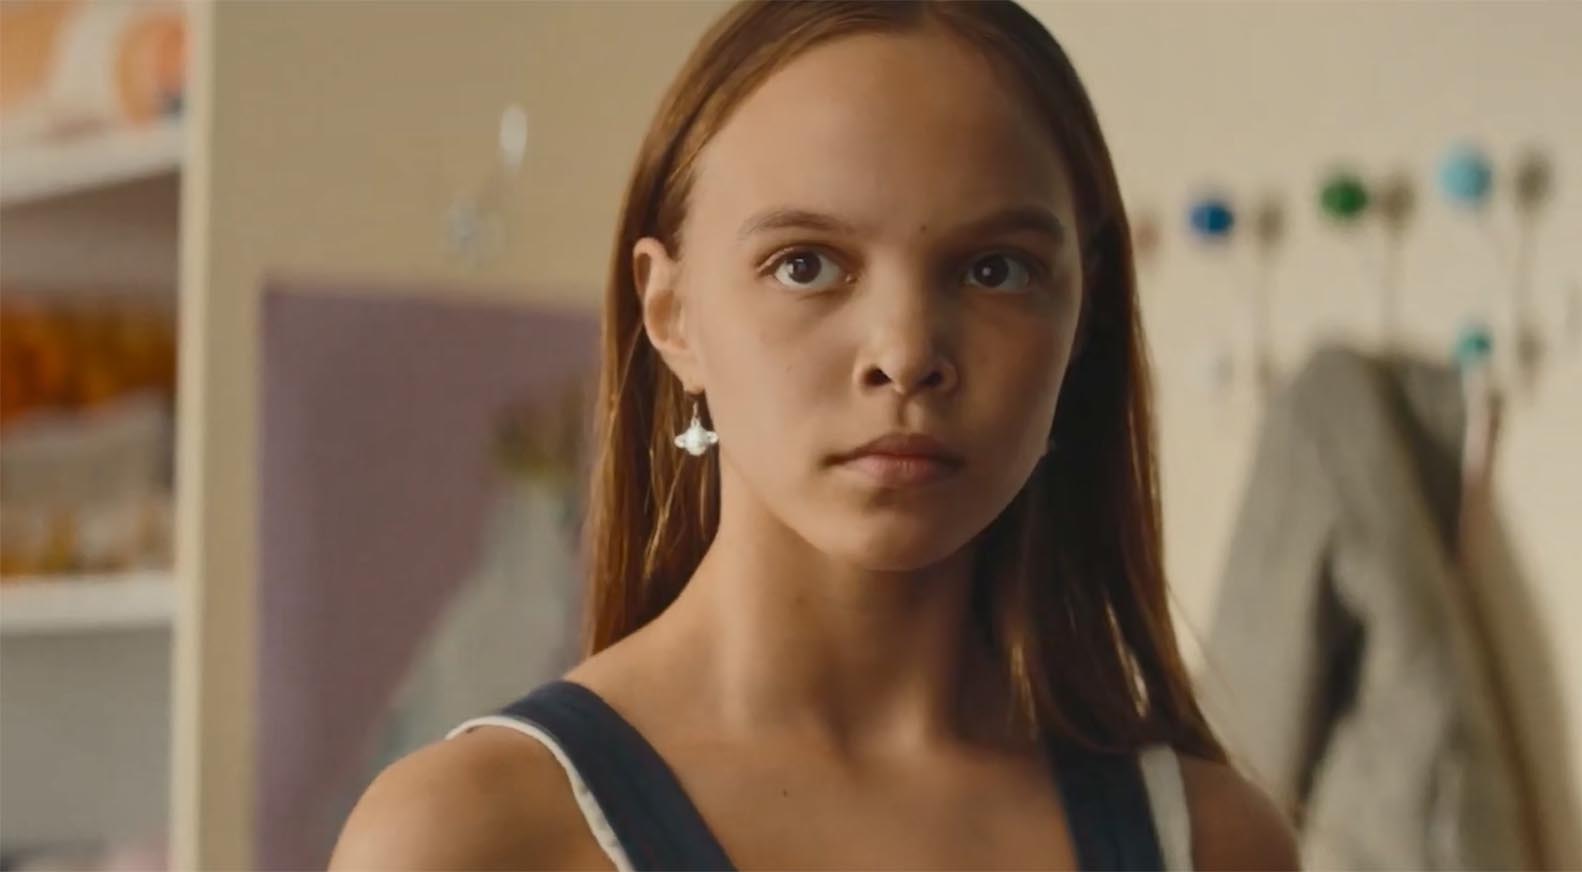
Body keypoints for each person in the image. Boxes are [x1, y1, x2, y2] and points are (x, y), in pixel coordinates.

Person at [331, 2, 1300, 869]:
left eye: (995, 270)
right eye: (805, 265)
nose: (906, 353)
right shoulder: (471, 837)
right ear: (670, 313)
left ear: (1081, 314)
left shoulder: (1211, 844)